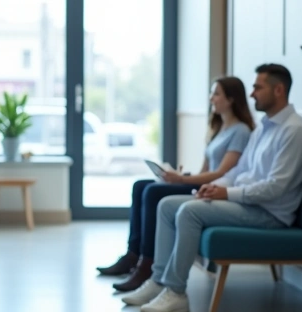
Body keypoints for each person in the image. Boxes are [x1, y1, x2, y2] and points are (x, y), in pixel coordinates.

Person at [121, 63, 302, 312]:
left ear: (278, 90)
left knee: (189, 212)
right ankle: (158, 281)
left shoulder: (295, 131)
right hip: (248, 203)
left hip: (270, 214)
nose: (252, 93)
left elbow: (275, 188)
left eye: (258, 87)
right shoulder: (264, 128)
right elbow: (239, 171)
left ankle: (176, 292)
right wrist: (215, 186)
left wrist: (227, 193)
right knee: (167, 205)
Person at [97, 77, 255, 293]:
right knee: (140, 186)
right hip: (204, 182)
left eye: (216, 94)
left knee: (153, 192)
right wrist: (181, 175)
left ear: (231, 99)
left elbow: (221, 173)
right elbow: (204, 171)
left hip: (215, 189)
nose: (211, 98)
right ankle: (132, 255)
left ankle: (147, 264)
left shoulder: (241, 131)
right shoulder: (219, 128)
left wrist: (181, 180)